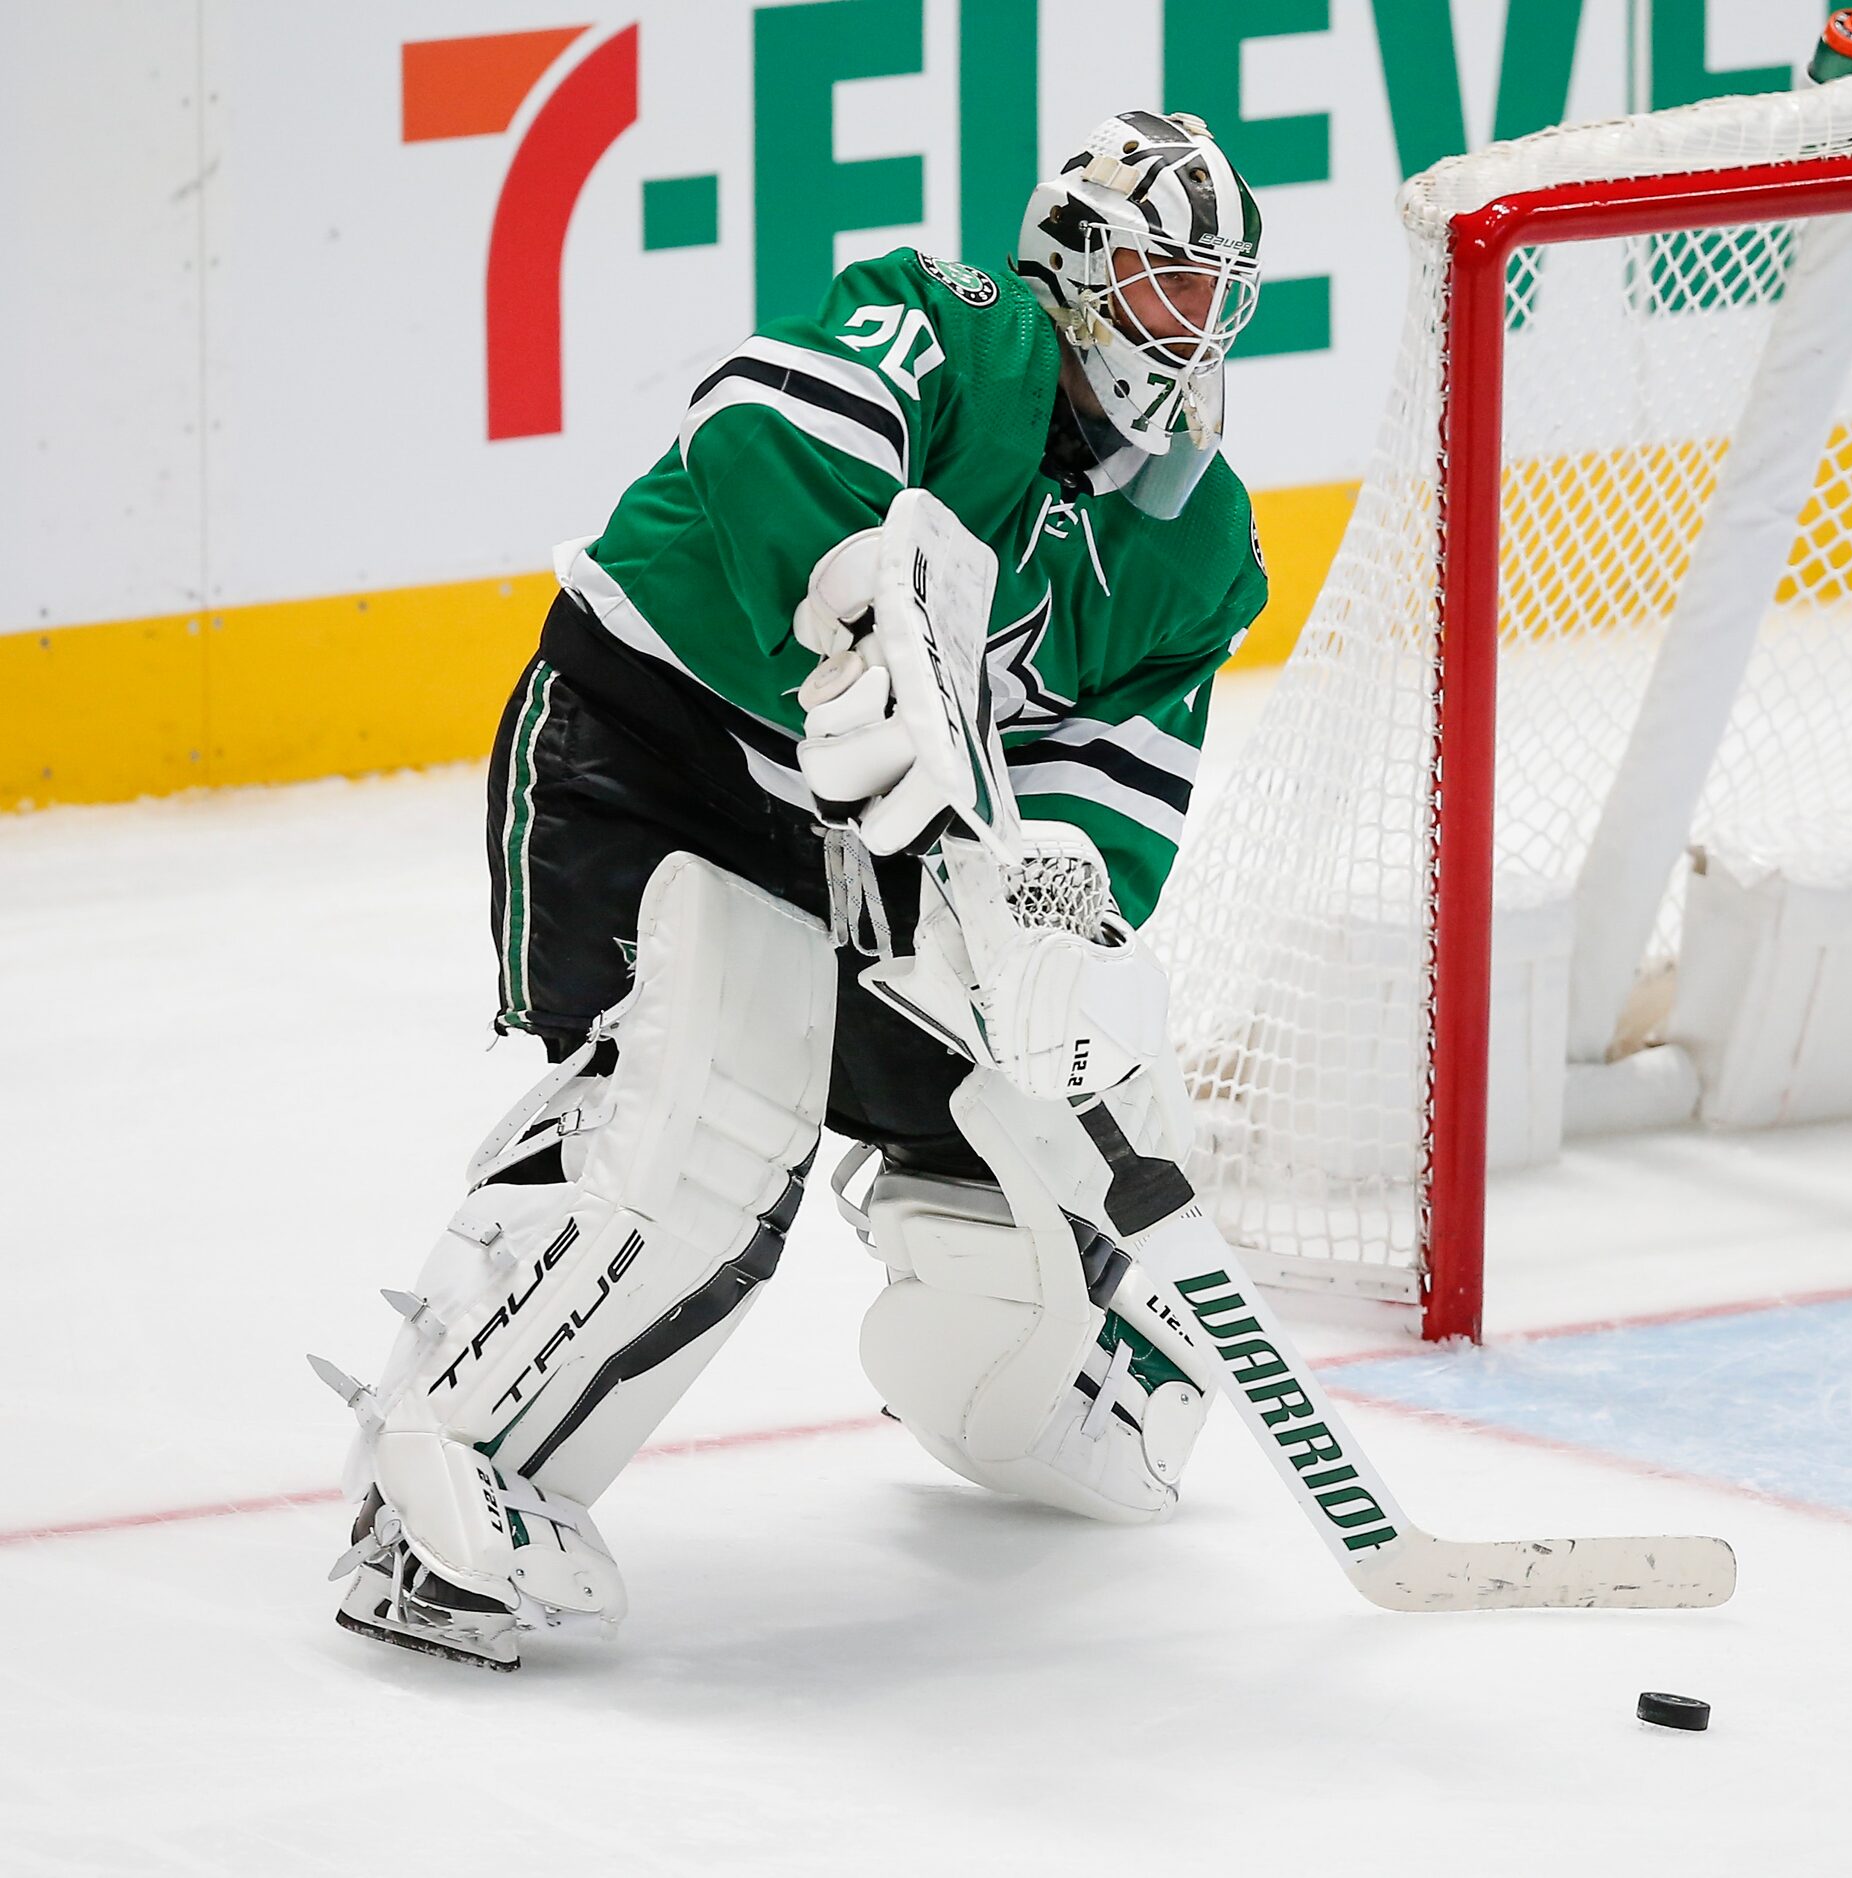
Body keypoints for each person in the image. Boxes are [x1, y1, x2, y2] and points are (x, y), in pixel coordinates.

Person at [313, 110, 1270, 1671]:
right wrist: (850, 592)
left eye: (1220, 299)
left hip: (877, 842)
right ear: (1077, 267)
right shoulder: (955, 326)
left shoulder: (1193, 542)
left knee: (1052, 1093)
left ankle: (1027, 1378)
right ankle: (441, 1475)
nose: (1194, 335)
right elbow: (761, 434)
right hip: (655, 755)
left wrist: (1051, 917)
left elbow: (1110, 809)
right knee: (707, 1104)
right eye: (1167, 288)